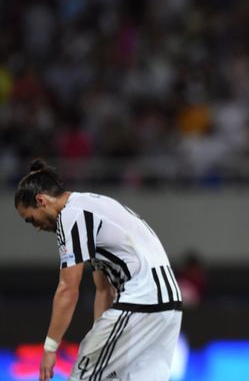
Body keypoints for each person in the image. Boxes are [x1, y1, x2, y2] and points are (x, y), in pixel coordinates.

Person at [14, 159, 182, 381]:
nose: (36, 227)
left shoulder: (71, 216)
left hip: (142, 301)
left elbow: (67, 289)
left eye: (30, 220)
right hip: (168, 308)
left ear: (41, 200)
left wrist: (50, 348)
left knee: (82, 378)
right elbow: (103, 289)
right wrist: (100, 336)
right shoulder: (92, 206)